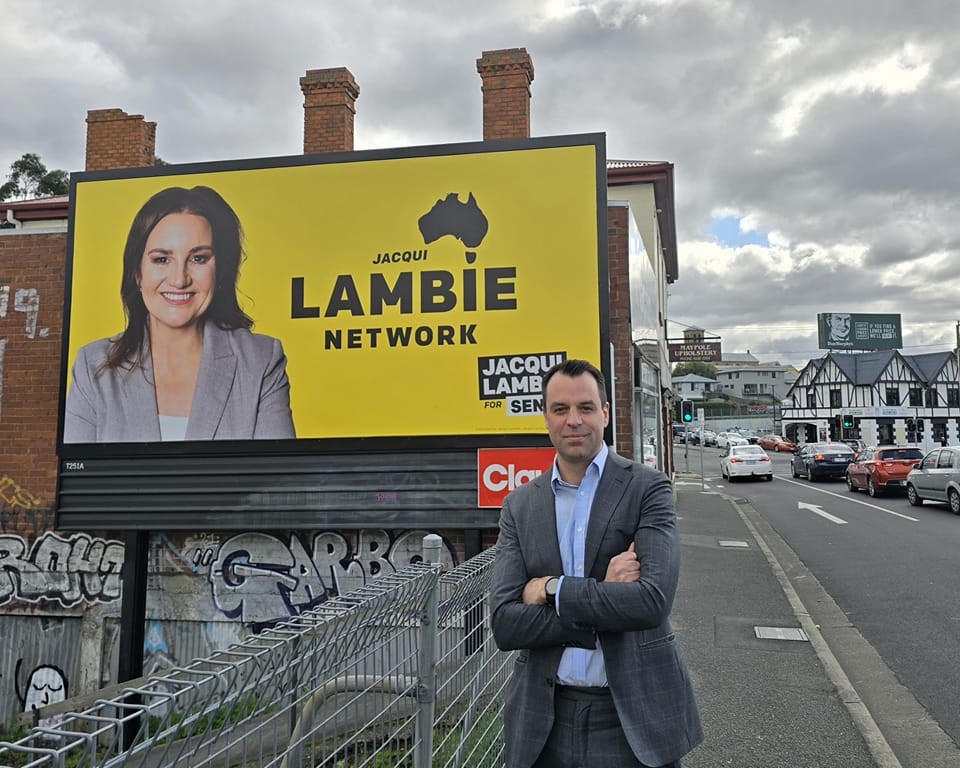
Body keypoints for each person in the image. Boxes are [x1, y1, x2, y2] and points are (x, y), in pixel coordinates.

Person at [490, 359, 702, 768]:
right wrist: (602, 589)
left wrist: (554, 588)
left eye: (586, 408)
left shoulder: (647, 488)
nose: (574, 420)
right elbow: (505, 623)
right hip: (543, 717)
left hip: (632, 716)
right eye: (560, 409)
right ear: (546, 417)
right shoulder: (520, 506)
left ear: (605, 413)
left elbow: (651, 602)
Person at [64, 185, 296, 442]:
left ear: (221, 271)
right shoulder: (93, 366)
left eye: (198, 258)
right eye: (162, 259)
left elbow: (275, 480)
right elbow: (81, 480)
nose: (179, 280)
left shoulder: (261, 360)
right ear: (137, 272)